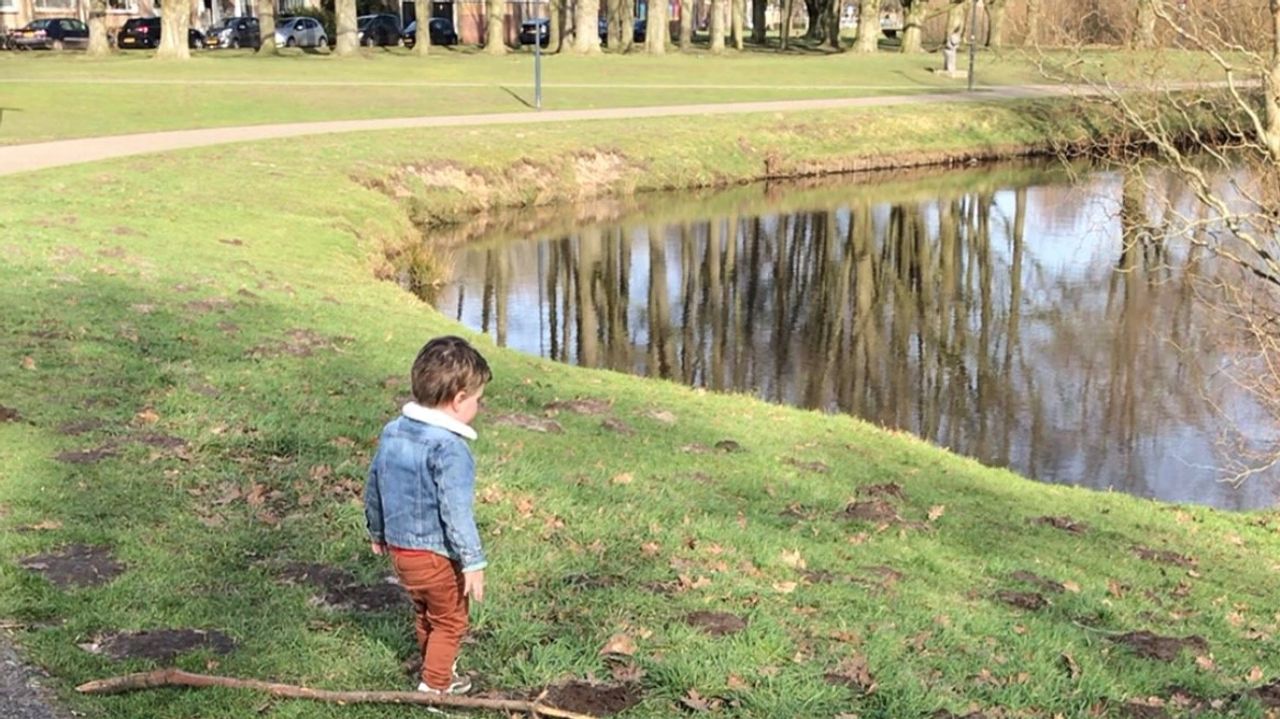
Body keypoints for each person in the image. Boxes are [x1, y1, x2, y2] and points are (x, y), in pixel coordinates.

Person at [364, 335, 491, 695]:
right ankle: (434, 688)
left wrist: (377, 531)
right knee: (450, 619)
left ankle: (437, 668)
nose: (479, 407)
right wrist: (473, 561)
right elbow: (456, 511)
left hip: (402, 554)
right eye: (478, 400)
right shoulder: (450, 449)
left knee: (426, 613)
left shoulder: (393, 432)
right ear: (459, 400)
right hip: (435, 555)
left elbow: (375, 483)